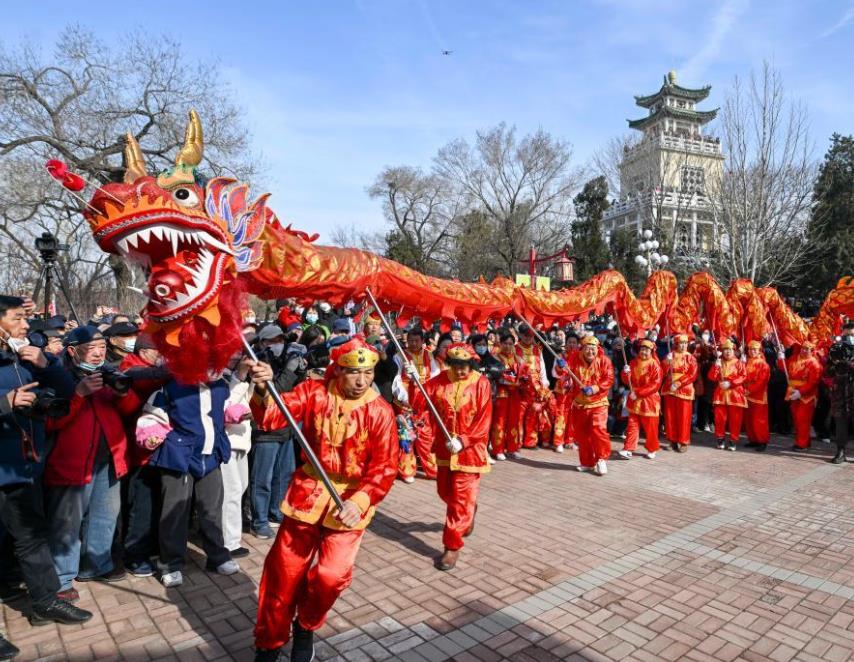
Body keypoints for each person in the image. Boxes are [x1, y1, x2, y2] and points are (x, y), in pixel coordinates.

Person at [250, 338, 398, 662]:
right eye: (354, 372)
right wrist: (262, 388)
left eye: (369, 373)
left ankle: (306, 624)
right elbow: (272, 417)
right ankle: (270, 640)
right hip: (306, 495)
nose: (362, 381)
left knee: (331, 576)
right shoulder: (314, 392)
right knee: (283, 574)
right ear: (338, 370)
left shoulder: (380, 411)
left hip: (350, 503)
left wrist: (360, 500)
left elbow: (385, 466)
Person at [0, 295, 92, 650]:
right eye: (17, 318)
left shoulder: (21, 355)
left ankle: (45, 601)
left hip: (22, 466)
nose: (26, 325)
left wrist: (46, 362)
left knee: (31, 537)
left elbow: (68, 391)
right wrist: (5, 403)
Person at [43, 326, 142, 597]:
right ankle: (62, 579)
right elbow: (51, 422)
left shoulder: (107, 373)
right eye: (90, 348)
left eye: (101, 347)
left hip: (108, 459)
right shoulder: (59, 378)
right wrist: (78, 394)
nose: (98, 353)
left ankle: (96, 564)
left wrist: (122, 392)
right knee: (66, 524)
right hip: (71, 464)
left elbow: (131, 409)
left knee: (105, 516)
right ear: (72, 351)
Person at [136, 371, 240, 587]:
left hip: (210, 456)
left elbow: (226, 407)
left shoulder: (220, 385)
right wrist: (151, 434)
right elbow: (153, 414)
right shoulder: (172, 387)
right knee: (175, 512)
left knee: (212, 509)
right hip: (179, 457)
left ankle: (218, 556)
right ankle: (170, 564)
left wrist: (236, 412)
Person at [413, 343, 491, 571]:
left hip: (470, 452)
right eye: (455, 365)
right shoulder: (438, 381)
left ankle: (452, 546)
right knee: (445, 492)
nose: (460, 370)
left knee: (459, 501)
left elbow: (484, 421)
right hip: (445, 450)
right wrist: (414, 380)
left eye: (464, 366)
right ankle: (469, 510)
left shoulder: (481, 384)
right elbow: (419, 403)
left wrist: (464, 440)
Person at [249, 328, 302, 539]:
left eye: (281, 339)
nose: (279, 343)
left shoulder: (285, 358)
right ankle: (259, 521)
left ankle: (276, 513)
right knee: (262, 478)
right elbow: (276, 390)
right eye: (273, 340)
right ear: (263, 343)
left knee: (284, 475)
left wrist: (300, 369)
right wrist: (290, 370)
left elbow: (296, 391)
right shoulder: (258, 361)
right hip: (265, 430)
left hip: (286, 427)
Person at [393, 327, 439, 480]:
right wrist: (404, 397)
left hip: (424, 401)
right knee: (406, 436)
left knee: (425, 435)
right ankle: (407, 470)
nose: (413, 343)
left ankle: (432, 469)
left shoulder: (428, 355)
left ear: (422, 341)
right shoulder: (399, 356)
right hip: (405, 403)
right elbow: (396, 380)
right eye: (410, 341)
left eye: (416, 341)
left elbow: (435, 375)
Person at [221, 355, 254, 558]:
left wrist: (253, 381)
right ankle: (229, 542)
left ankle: (230, 536)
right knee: (231, 491)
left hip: (241, 440)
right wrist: (240, 376)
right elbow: (227, 403)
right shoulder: (220, 377)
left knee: (240, 487)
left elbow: (246, 401)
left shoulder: (238, 377)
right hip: (227, 441)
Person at [568, 335, 614, 476]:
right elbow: (563, 373)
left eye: (593, 349)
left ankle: (601, 459)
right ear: (582, 349)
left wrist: (594, 388)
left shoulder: (604, 361)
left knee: (598, 430)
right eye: (587, 348)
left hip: (598, 402)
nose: (590, 352)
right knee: (582, 434)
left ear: (598, 349)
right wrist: (560, 366)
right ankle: (587, 463)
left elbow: (609, 378)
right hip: (580, 403)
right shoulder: (574, 358)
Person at [618, 339, 663, 460]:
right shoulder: (633, 363)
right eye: (642, 349)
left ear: (651, 352)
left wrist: (638, 393)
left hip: (649, 401)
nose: (643, 352)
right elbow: (627, 381)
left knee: (650, 428)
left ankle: (652, 448)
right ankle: (628, 448)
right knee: (632, 425)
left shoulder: (655, 365)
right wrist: (625, 373)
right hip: (634, 400)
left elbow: (655, 385)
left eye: (647, 350)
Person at [779, 341, 823, 452]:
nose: (803, 350)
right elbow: (784, 368)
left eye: (807, 349)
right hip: (793, 392)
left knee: (802, 419)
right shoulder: (794, 358)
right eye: (803, 348)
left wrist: (800, 392)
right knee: (796, 418)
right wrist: (780, 358)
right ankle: (804, 441)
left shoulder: (815, 364)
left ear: (812, 351)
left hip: (807, 395)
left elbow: (813, 382)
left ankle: (802, 444)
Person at [490, 331, 527, 460]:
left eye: (510, 344)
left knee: (514, 421)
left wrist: (523, 380)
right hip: (501, 394)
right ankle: (498, 449)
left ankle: (512, 448)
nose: (508, 346)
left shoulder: (518, 359)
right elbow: (495, 377)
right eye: (505, 343)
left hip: (515, 394)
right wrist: (508, 380)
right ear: (500, 344)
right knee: (499, 421)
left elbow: (524, 374)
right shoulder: (495, 358)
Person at [661, 334, 699, 452]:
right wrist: (666, 362)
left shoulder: (691, 358)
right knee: (670, 416)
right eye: (681, 343)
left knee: (684, 416)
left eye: (685, 343)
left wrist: (679, 383)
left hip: (684, 388)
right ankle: (672, 440)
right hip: (670, 388)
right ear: (676, 344)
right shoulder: (670, 355)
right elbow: (662, 372)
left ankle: (683, 441)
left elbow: (692, 375)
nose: (683, 345)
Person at [515, 325, 550, 449]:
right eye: (525, 335)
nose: (528, 338)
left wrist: (544, 384)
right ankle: (517, 442)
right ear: (520, 335)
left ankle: (530, 442)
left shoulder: (537, 350)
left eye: (530, 335)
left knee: (533, 414)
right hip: (520, 388)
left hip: (536, 389)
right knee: (519, 415)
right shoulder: (514, 349)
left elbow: (542, 368)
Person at [708, 339, 747, 451]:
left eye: (729, 349)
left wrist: (731, 383)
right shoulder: (719, 362)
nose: (727, 352)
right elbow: (711, 377)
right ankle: (720, 438)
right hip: (721, 393)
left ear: (734, 351)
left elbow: (743, 376)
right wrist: (715, 366)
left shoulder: (739, 363)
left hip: (735, 394)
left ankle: (733, 440)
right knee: (719, 418)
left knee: (735, 419)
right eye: (725, 349)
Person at [827, 323, 854, 463]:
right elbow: (829, 371)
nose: (849, 337)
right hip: (840, 390)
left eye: (852, 334)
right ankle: (840, 451)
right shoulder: (836, 348)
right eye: (846, 334)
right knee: (840, 421)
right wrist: (837, 361)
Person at [744, 340, 771, 451]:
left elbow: (762, 381)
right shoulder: (747, 362)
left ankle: (762, 440)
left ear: (759, 350)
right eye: (750, 349)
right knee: (749, 418)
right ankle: (753, 439)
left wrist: (750, 390)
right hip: (747, 393)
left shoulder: (763, 364)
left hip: (758, 395)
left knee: (759, 419)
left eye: (754, 349)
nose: (752, 351)